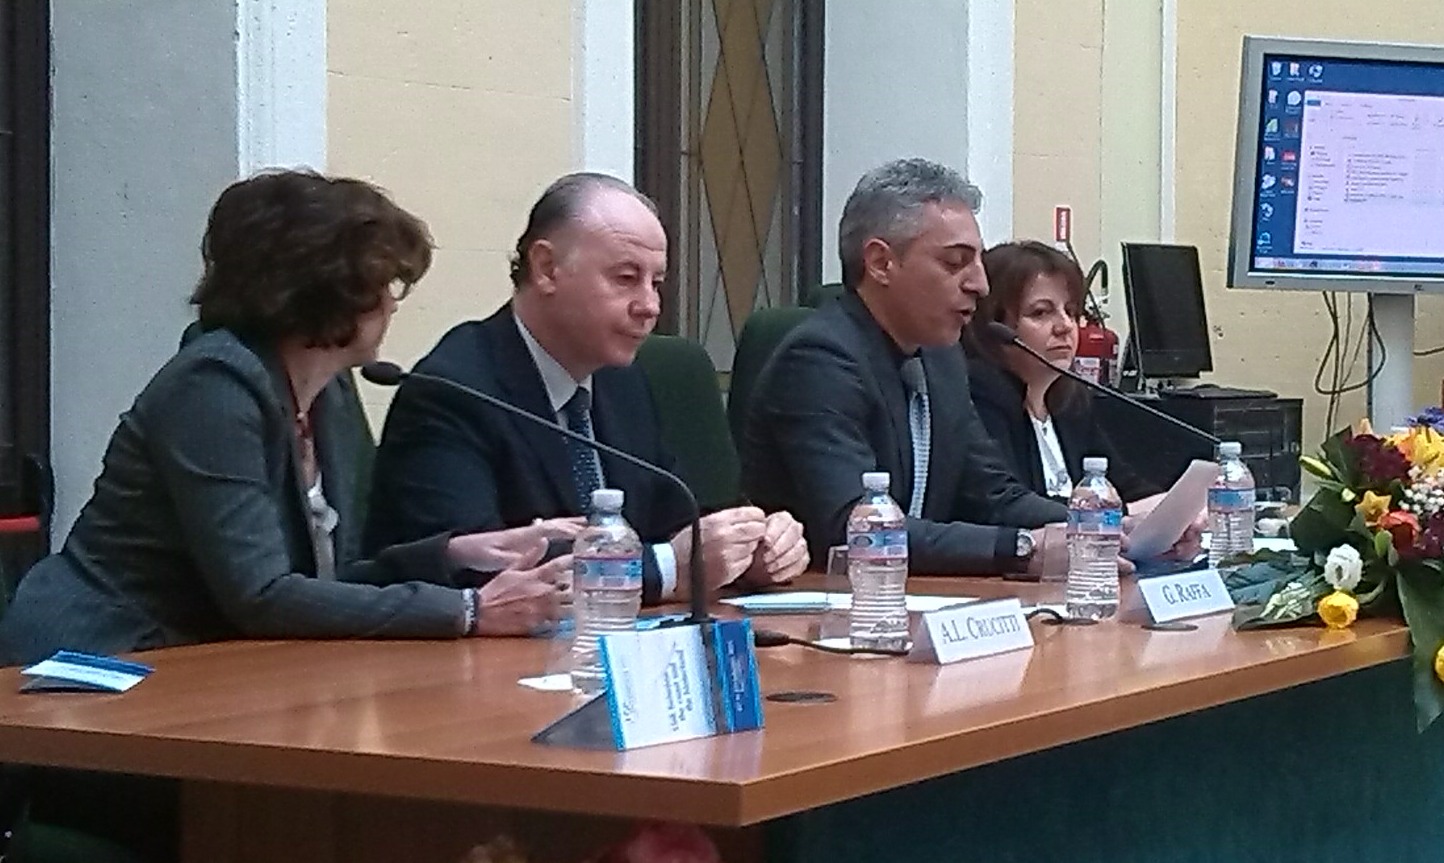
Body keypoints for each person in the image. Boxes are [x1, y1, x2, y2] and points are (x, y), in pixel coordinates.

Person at [0, 171, 572, 668]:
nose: (392, 304)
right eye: (379, 284)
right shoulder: (213, 387)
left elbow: (327, 583)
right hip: (88, 669)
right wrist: (467, 612)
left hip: (203, 673)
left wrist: (454, 556)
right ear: (323, 291)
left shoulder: (328, 391)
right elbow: (260, 596)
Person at [363, 172, 807, 599]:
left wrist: (747, 546)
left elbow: (675, 519)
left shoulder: (621, 381)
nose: (650, 306)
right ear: (547, 268)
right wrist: (668, 568)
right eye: (626, 278)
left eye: (656, 283)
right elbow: (475, 571)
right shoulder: (454, 390)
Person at [740, 161, 1088, 576]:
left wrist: (1101, 527)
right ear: (881, 263)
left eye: (978, 262)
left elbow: (993, 495)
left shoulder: (941, 359)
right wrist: (1023, 548)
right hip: (826, 602)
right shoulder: (819, 359)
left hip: (916, 596)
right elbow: (856, 527)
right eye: (956, 262)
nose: (980, 285)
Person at [964, 240, 1157, 502]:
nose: (1065, 326)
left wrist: (1177, 507)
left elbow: (1125, 486)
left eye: (1070, 311)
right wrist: (1115, 513)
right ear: (994, 328)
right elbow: (1011, 504)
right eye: (1041, 312)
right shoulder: (979, 403)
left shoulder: (1070, 403)